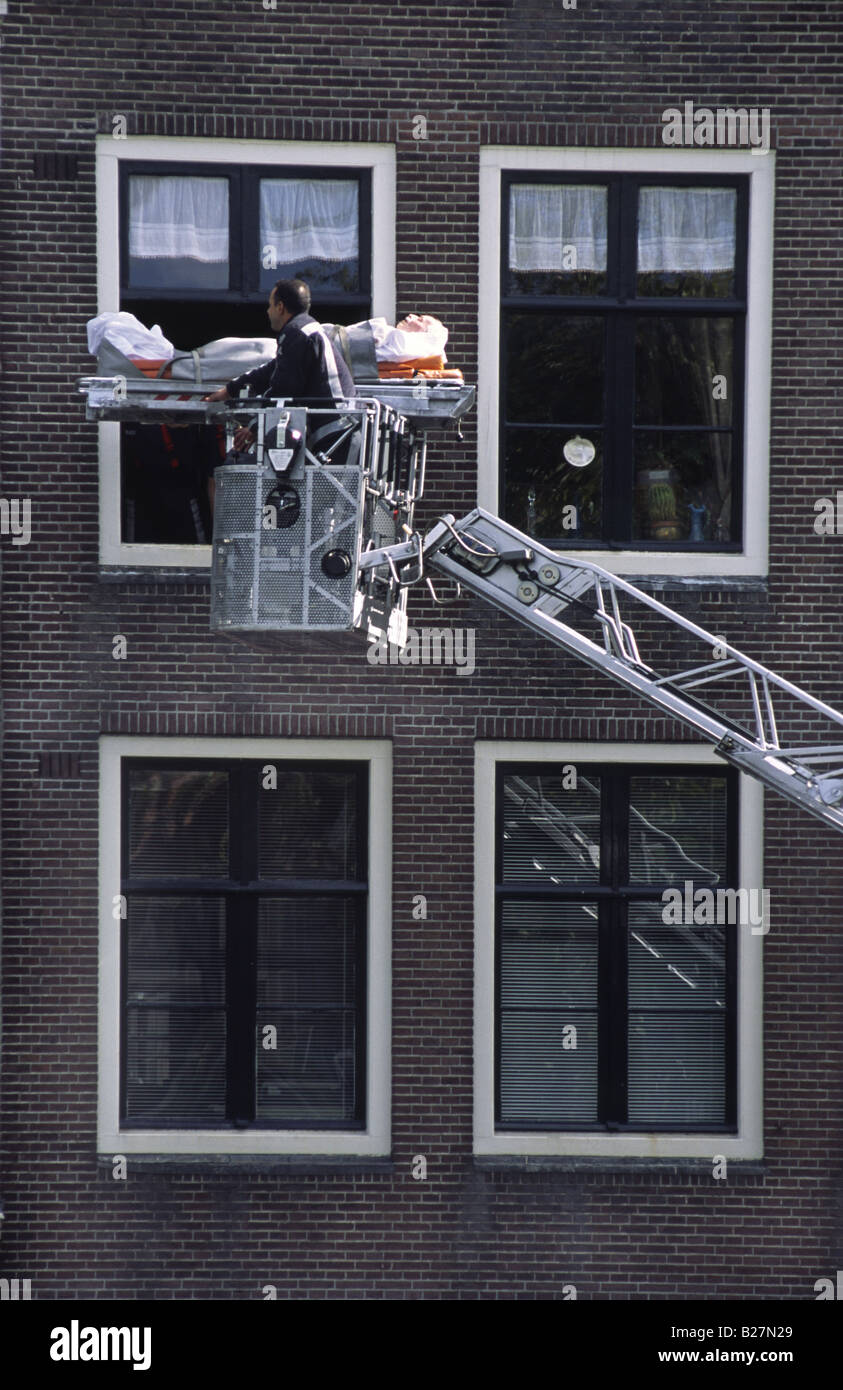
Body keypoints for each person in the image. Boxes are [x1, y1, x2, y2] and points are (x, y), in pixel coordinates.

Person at [205, 278, 354, 450]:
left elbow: (283, 388)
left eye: (270, 305)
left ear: (280, 307)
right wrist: (230, 390)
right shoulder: (307, 330)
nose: (268, 312)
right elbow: (272, 370)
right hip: (342, 427)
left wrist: (254, 427)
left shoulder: (296, 333)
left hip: (336, 434)